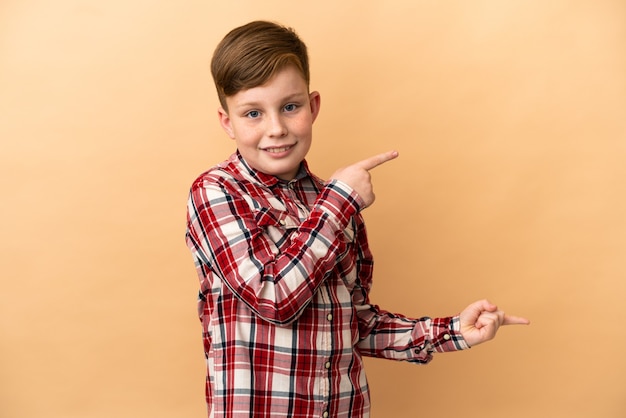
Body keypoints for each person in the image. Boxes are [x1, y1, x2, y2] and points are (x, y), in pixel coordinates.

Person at [185, 20, 530, 418]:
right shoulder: (217, 191)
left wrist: (452, 331)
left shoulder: (332, 199)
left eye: (290, 107)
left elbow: (355, 323)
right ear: (228, 122)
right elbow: (273, 297)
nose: (276, 129)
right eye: (252, 114)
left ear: (313, 107)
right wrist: (340, 201)